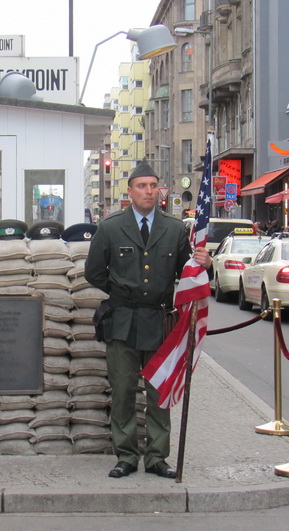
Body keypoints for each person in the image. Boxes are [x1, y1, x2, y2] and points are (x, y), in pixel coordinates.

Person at [84, 159, 211, 480]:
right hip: (122, 320)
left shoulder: (174, 228)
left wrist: (202, 262)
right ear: (130, 192)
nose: (149, 191)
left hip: (159, 321)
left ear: (160, 191)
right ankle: (126, 455)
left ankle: (157, 457)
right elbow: (94, 272)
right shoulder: (110, 227)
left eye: (153, 186)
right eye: (142, 186)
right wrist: (122, 291)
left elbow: (186, 271)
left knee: (159, 393)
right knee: (123, 391)